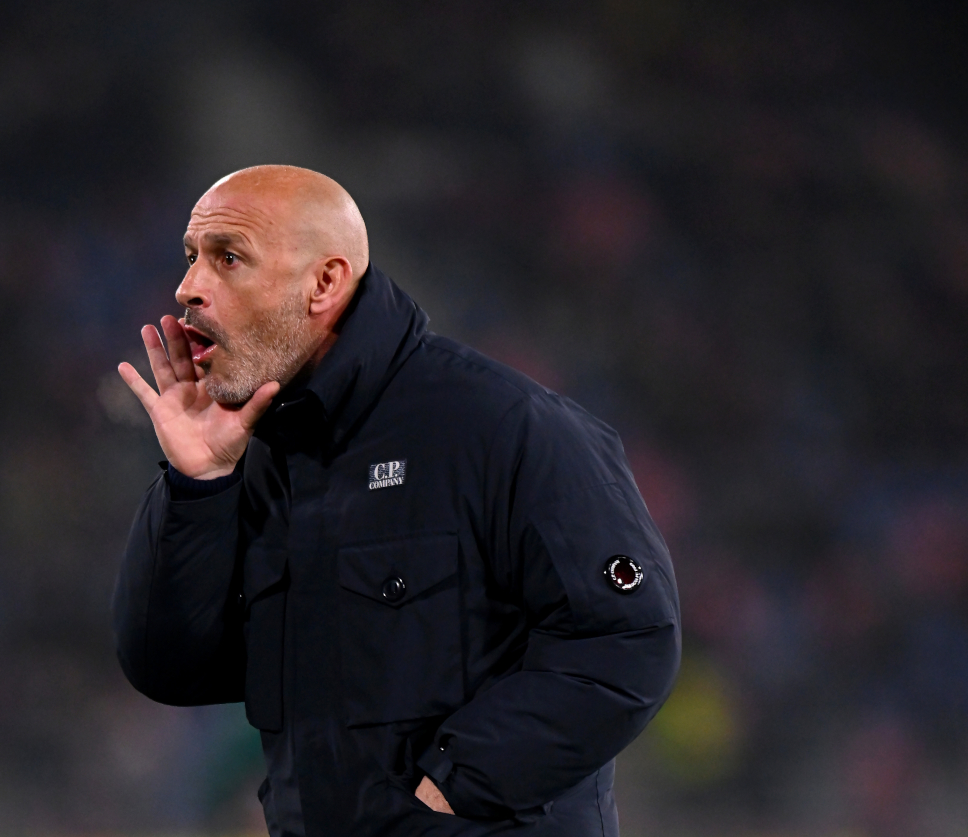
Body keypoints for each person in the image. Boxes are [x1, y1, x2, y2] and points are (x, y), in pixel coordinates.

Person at [112, 165, 681, 836]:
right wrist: (197, 485)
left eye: (227, 258)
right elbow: (170, 668)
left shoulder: (502, 426)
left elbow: (627, 637)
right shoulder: (257, 457)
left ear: (324, 283)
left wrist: (453, 780)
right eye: (191, 258)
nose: (187, 288)